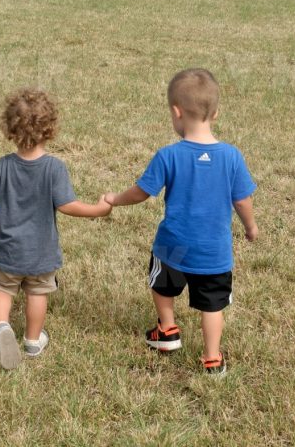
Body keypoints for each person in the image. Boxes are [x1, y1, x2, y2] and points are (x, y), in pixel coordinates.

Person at [105, 68, 258, 377]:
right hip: (214, 251)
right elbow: (242, 200)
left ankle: (167, 329)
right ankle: (212, 358)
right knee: (212, 306)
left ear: (176, 112)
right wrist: (251, 227)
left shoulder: (168, 155)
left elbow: (140, 193)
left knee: (162, 285)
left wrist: (114, 199)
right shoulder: (232, 156)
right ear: (216, 113)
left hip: (173, 245)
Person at [0, 88, 112, 369]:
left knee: (1, 287)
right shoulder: (54, 168)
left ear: (9, 129)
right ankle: (33, 341)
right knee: (37, 293)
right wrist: (98, 209)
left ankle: (2, 326)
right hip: (41, 253)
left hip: (7, 251)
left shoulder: (2, 166)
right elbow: (68, 205)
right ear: (50, 130)